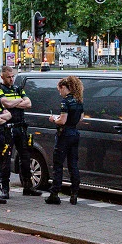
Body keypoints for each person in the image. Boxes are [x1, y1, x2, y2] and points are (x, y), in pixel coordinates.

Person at [0, 66, 39, 197]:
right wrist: (19, 101)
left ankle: (28, 187)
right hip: (8, 128)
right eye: (8, 77)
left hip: (21, 128)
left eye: (12, 77)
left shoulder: (18, 88)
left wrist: (13, 103)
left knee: (25, 158)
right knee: (6, 159)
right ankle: (5, 189)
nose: (11, 79)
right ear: (2, 77)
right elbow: (7, 104)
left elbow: (29, 104)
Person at [46, 75, 84, 205]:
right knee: (73, 164)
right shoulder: (78, 101)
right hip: (74, 133)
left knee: (58, 164)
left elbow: (62, 120)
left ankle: (54, 194)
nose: (59, 93)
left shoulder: (65, 102)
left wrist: (53, 119)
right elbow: (81, 118)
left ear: (63, 87)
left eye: (59, 90)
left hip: (64, 135)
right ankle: (74, 193)